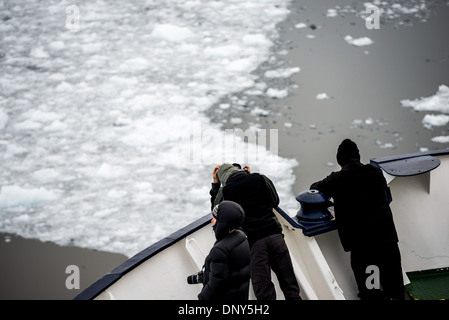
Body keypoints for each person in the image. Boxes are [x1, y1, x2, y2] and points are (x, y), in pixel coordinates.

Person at [310, 138, 404, 300]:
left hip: (364, 248)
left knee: (371, 290)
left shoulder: (337, 179)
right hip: (387, 242)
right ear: (358, 157)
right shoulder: (376, 173)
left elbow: (314, 188)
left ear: (340, 162)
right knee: (394, 289)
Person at [210, 163, 301, 300]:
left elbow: (217, 213)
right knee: (290, 286)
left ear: (223, 178)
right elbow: (274, 200)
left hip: (255, 245)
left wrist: (215, 185)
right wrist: (249, 176)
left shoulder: (226, 191)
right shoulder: (260, 179)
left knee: (264, 293)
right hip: (276, 237)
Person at [198, 201, 251, 300]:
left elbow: (216, 284)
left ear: (223, 223)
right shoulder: (242, 237)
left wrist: (202, 297)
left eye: (215, 218)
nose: (212, 221)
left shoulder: (220, 250)